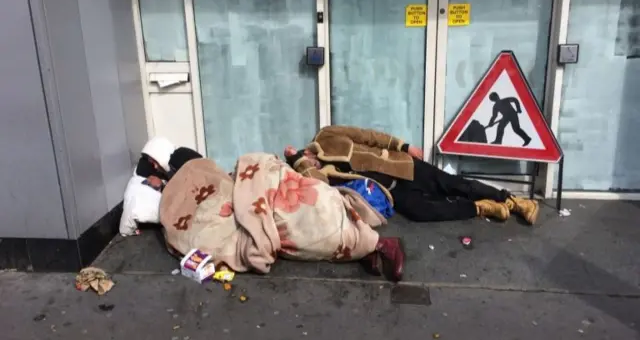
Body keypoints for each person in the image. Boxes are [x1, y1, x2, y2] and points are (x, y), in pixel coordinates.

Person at [159, 152, 406, 282]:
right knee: (305, 230)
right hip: (257, 203)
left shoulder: (204, 171)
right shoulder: (184, 185)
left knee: (311, 209)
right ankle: (366, 246)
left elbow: (245, 174)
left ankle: (382, 245)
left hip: (274, 189)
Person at [284, 125, 539, 225]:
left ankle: (515, 201)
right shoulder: (319, 175)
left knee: (453, 184)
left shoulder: (326, 135)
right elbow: (318, 188)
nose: (307, 162)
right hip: (392, 193)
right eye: (301, 163)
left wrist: (402, 146)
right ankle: (481, 208)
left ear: (307, 148)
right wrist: (299, 163)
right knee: (423, 213)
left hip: (402, 166)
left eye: (304, 157)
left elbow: (368, 137)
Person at [135, 136, 204, 191]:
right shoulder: (168, 169)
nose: (155, 167)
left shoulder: (180, 160)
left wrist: (162, 187)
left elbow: (183, 192)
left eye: (155, 162)